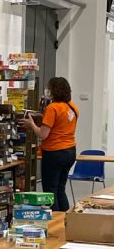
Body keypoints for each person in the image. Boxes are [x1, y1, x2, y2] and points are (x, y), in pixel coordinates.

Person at [23, 76, 78, 211]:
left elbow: (43, 134)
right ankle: (64, 219)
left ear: (54, 90)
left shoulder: (52, 108)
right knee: (60, 188)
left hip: (54, 153)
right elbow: (61, 123)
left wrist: (31, 125)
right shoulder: (72, 106)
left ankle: (54, 222)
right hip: (70, 151)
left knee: (50, 191)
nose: (47, 90)